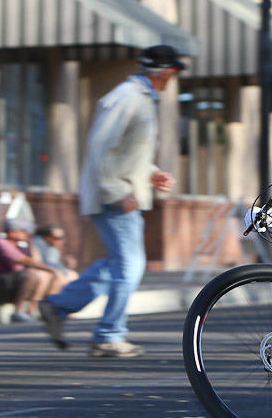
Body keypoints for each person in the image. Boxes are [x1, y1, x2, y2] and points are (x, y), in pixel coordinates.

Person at [39, 45, 179, 357]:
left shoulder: (140, 99)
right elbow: (101, 147)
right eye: (174, 71)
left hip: (121, 191)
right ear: (167, 72)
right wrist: (116, 191)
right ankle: (108, 335)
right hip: (114, 196)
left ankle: (57, 306)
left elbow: (126, 152)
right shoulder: (127, 97)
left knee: (119, 265)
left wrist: (151, 173)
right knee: (130, 265)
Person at [0, 218, 70, 322]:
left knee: (45, 275)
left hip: (12, 287)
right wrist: (53, 270)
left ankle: (35, 309)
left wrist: (31, 243)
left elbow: (37, 261)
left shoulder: (21, 247)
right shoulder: (1, 243)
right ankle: (18, 311)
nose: (28, 234)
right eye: (24, 231)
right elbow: (23, 260)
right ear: (12, 232)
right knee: (31, 275)